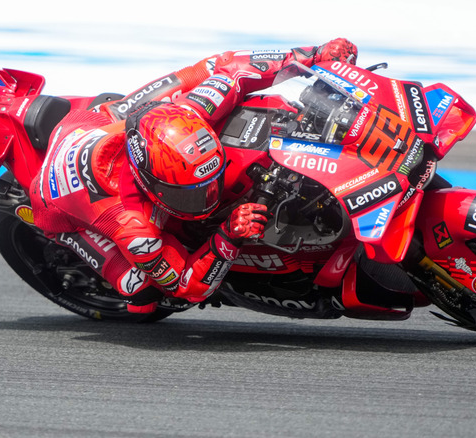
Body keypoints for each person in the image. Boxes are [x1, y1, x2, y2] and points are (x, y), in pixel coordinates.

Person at [29, 38, 358, 314]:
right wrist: (228, 235)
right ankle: (64, 236)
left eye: (210, 184)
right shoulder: (134, 228)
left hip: (94, 123)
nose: (209, 198)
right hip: (54, 203)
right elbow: (187, 286)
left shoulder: (191, 110)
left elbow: (232, 65)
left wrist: (316, 54)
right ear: (151, 185)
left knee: (203, 72)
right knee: (142, 289)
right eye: (191, 194)